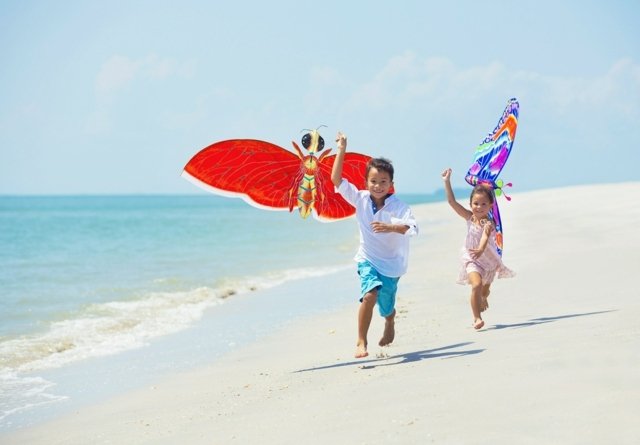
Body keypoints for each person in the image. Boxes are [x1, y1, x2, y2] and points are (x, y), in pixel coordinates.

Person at [331, 131, 418, 358]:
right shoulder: (359, 198)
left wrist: (390, 227)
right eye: (373, 181)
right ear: (366, 182)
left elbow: (412, 228)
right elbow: (336, 180)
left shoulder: (399, 207)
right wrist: (342, 149)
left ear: (391, 184)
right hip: (367, 258)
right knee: (369, 295)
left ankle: (389, 319)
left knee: (386, 304)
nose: (378, 186)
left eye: (383, 182)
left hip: (392, 265)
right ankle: (361, 341)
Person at [441, 168, 515, 330]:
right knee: (476, 285)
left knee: (484, 291)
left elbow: (484, 237)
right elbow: (452, 203)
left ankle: (483, 297)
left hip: (488, 261)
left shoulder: (489, 223)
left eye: (483, 204)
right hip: (472, 258)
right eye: (476, 203)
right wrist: (447, 182)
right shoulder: (469, 217)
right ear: (470, 204)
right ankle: (477, 318)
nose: (479, 207)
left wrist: (481, 249)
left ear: (490, 205)